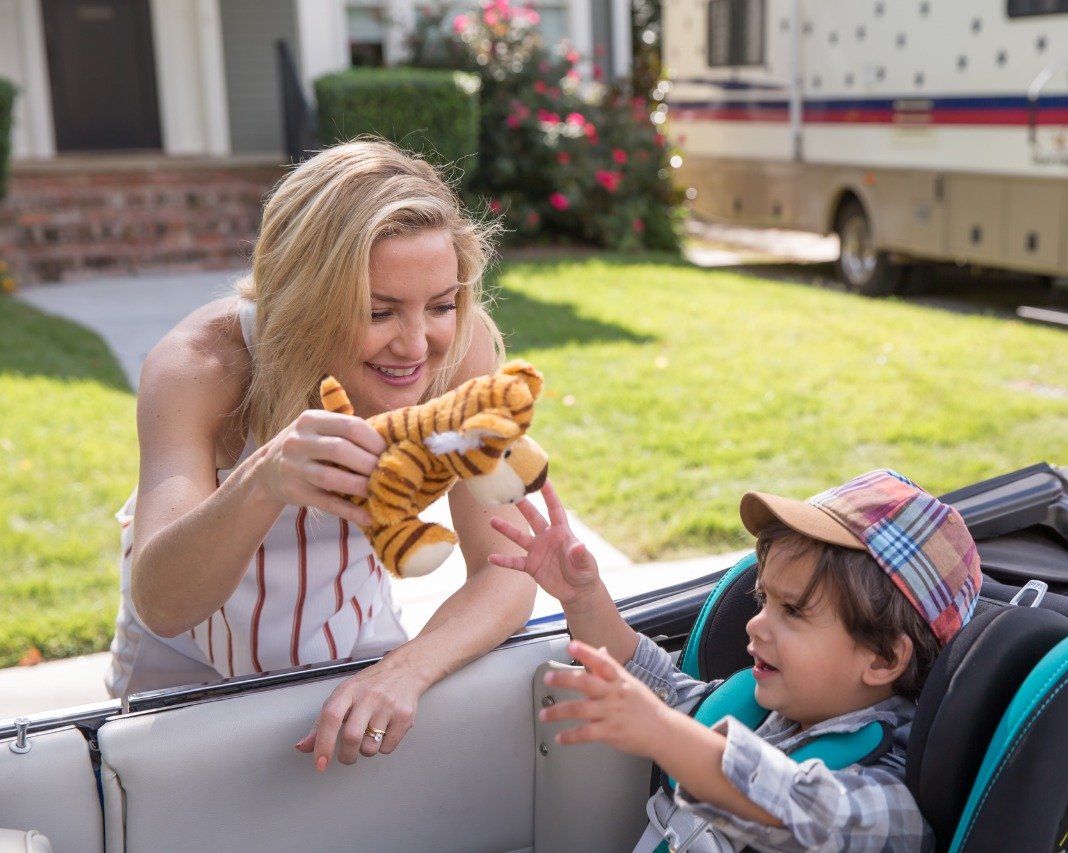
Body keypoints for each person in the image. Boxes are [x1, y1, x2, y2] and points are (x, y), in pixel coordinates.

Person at [106, 138, 536, 772]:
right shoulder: (199, 366)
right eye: (378, 311)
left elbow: (509, 568)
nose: (417, 346)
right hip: (185, 674)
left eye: (441, 304)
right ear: (301, 299)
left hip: (356, 648)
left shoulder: (460, 358)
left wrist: (405, 670)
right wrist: (263, 481)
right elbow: (165, 603)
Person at [491, 471, 982, 852]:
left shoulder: (892, 787)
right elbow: (652, 682)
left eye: (792, 611)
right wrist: (582, 596)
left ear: (883, 658)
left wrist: (663, 732)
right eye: (763, 599)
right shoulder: (770, 709)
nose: (755, 624)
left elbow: (813, 816)